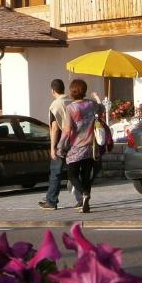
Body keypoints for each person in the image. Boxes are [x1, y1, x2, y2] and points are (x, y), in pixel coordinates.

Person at [56, 78, 99, 214]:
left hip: (76, 147)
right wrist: (96, 98)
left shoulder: (71, 108)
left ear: (72, 91)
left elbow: (67, 130)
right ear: (84, 90)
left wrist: (60, 146)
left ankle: (84, 194)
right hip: (91, 146)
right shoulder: (91, 104)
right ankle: (86, 204)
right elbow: (102, 108)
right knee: (85, 175)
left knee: (72, 174)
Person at [38, 78, 75, 210]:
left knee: (56, 172)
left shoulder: (55, 105)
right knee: (74, 171)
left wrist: (52, 147)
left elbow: (54, 127)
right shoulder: (71, 101)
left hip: (60, 142)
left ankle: (51, 201)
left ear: (53, 90)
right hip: (74, 141)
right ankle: (81, 198)